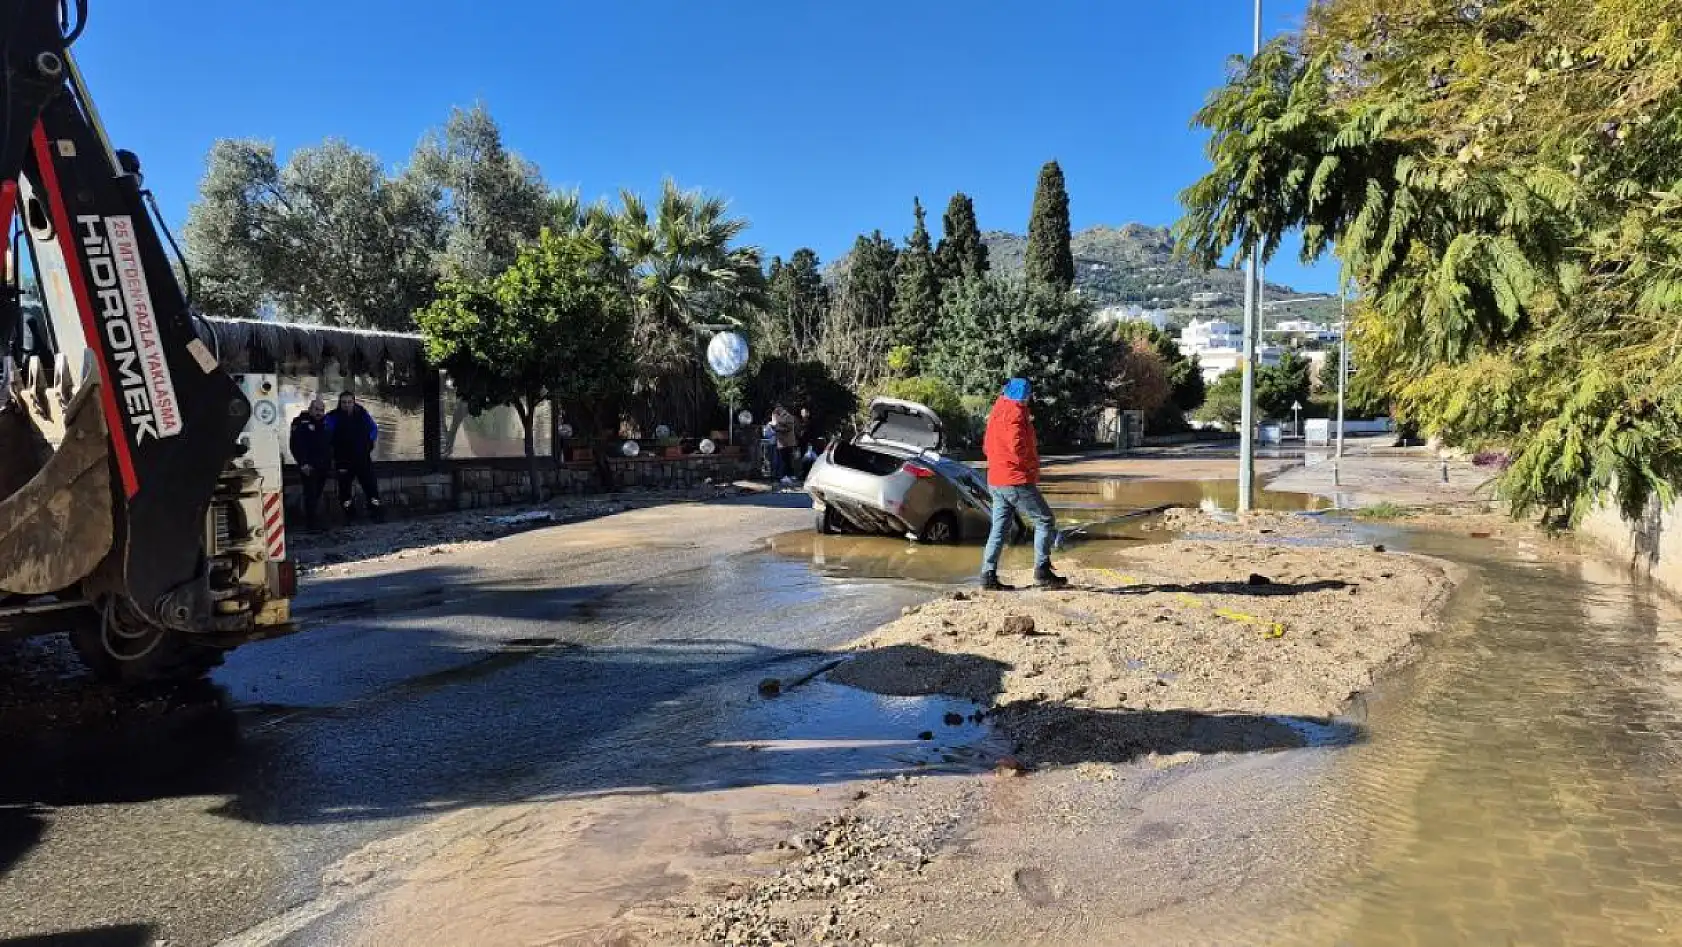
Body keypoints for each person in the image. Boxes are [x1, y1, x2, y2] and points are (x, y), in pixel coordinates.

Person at [979, 378, 1067, 591]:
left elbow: (985, 447)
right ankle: (1042, 571)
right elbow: (1018, 447)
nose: (1029, 399)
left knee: (999, 528)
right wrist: (1030, 469)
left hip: (996, 479)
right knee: (1045, 519)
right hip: (1015, 479)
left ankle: (987, 575)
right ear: (1022, 395)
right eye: (1028, 395)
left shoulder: (996, 413)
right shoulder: (1017, 414)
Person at [326, 391, 383, 522]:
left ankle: (376, 512)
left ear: (354, 402)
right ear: (339, 403)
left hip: (362, 458)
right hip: (343, 460)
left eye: (349, 402)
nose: (346, 405)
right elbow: (326, 435)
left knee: (371, 486)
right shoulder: (333, 416)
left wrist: (369, 442)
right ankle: (349, 514)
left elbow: (374, 428)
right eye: (344, 402)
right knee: (344, 491)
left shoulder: (362, 414)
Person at [288, 398, 333, 530]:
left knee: (317, 495)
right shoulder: (301, 423)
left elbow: (329, 444)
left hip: (322, 466)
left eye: (321, 410)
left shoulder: (325, 423)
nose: (319, 413)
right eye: (316, 409)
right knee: (311, 495)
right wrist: (303, 463)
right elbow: (296, 445)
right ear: (310, 409)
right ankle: (311, 524)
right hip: (309, 466)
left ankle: (316, 522)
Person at [771, 405, 799, 484]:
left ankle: (786, 476)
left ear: (781, 408)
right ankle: (788, 475)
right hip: (781, 442)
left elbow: (789, 428)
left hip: (787, 442)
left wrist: (777, 429)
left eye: (777, 408)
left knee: (786, 459)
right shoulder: (778, 416)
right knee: (785, 459)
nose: (776, 410)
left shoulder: (788, 416)